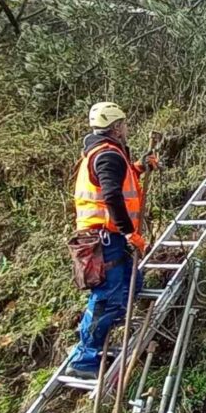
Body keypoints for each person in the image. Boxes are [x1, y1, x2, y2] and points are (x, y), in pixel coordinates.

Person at [65, 101, 157, 379]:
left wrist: (139, 167)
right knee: (108, 296)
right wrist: (130, 232)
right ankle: (85, 355)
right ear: (116, 127)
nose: (127, 128)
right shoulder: (108, 155)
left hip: (106, 235)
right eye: (124, 124)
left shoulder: (105, 152)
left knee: (133, 284)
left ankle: (99, 336)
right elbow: (112, 195)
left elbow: (119, 179)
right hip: (105, 238)